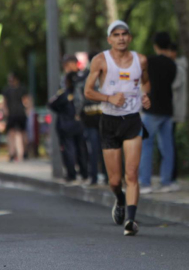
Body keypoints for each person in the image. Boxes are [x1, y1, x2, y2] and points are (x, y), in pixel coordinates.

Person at [84, 20, 151, 236]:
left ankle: (130, 220)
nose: (121, 38)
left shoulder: (140, 60)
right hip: (110, 122)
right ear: (109, 39)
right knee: (115, 181)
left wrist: (146, 96)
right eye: (116, 34)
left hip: (132, 120)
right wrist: (109, 98)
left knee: (131, 174)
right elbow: (88, 91)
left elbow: (146, 83)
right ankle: (120, 199)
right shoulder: (100, 60)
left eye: (124, 34)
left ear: (129, 37)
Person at [139, 32, 177, 194]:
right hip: (167, 109)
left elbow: (142, 80)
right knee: (167, 147)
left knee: (146, 145)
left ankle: (145, 183)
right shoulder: (172, 64)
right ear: (168, 45)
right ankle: (166, 182)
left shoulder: (149, 62)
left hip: (151, 109)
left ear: (155, 46)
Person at [48, 71, 89, 183]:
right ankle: (84, 173)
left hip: (66, 125)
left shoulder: (63, 93)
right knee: (81, 149)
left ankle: (72, 174)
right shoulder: (81, 93)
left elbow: (51, 104)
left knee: (69, 150)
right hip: (79, 124)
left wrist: (61, 111)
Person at [81, 52, 108, 186]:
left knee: (104, 149)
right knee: (96, 149)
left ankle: (103, 177)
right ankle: (96, 177)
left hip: (100, 119)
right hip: (93, 119)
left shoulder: (106, 75)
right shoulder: (87, 76)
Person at [168, 42, 187, 183]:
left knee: (169, 144)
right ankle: (170, 175)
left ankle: (172, 176)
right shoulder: (175, 67)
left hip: (172, 112)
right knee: (168, 143)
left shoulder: (178, 68)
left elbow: (172, 86)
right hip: (167, 111)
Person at [2, 72, 29, 162]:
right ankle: (15, 153)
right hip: (17, 114)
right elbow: (26, 101)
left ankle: (17, 153)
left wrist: (5, 111)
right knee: (16, 133)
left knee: (18, 133)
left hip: (16, 114)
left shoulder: (17, 89)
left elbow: (26, 101)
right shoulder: (9, 90)